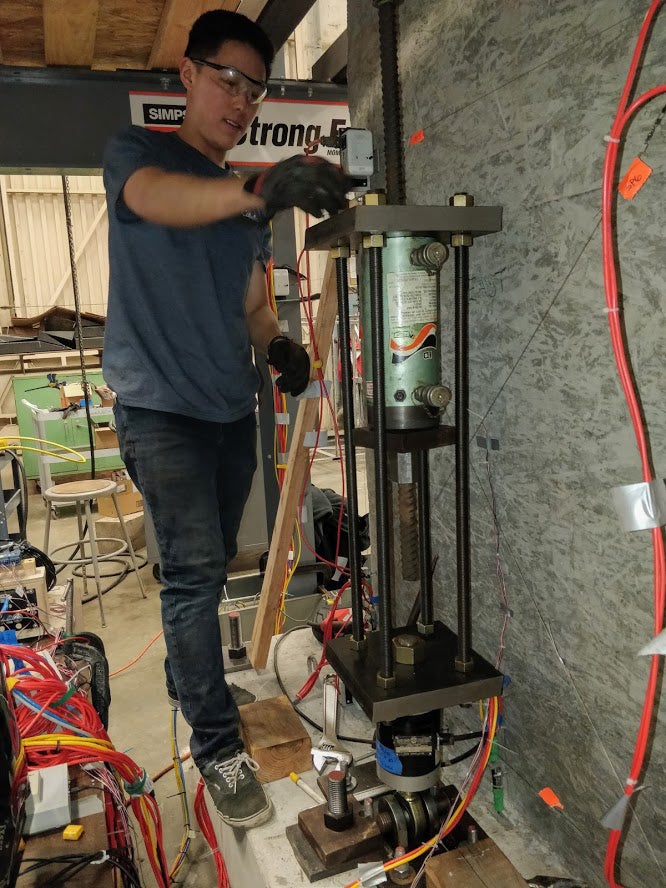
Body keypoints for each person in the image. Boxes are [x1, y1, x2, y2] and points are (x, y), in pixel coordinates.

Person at [102, 9, 351, 829]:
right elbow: (160, 202)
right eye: (228, 81)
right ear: (187, 74)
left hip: (224, 405)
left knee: (205, 570)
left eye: (256, 88)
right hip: (159, 406)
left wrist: (277, 343)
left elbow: (249, 296)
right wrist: (256, 186)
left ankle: (190, 675)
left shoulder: (242, 197)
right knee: (194, 576)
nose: (241, 100)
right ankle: (217, 746)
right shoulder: (139, 156)